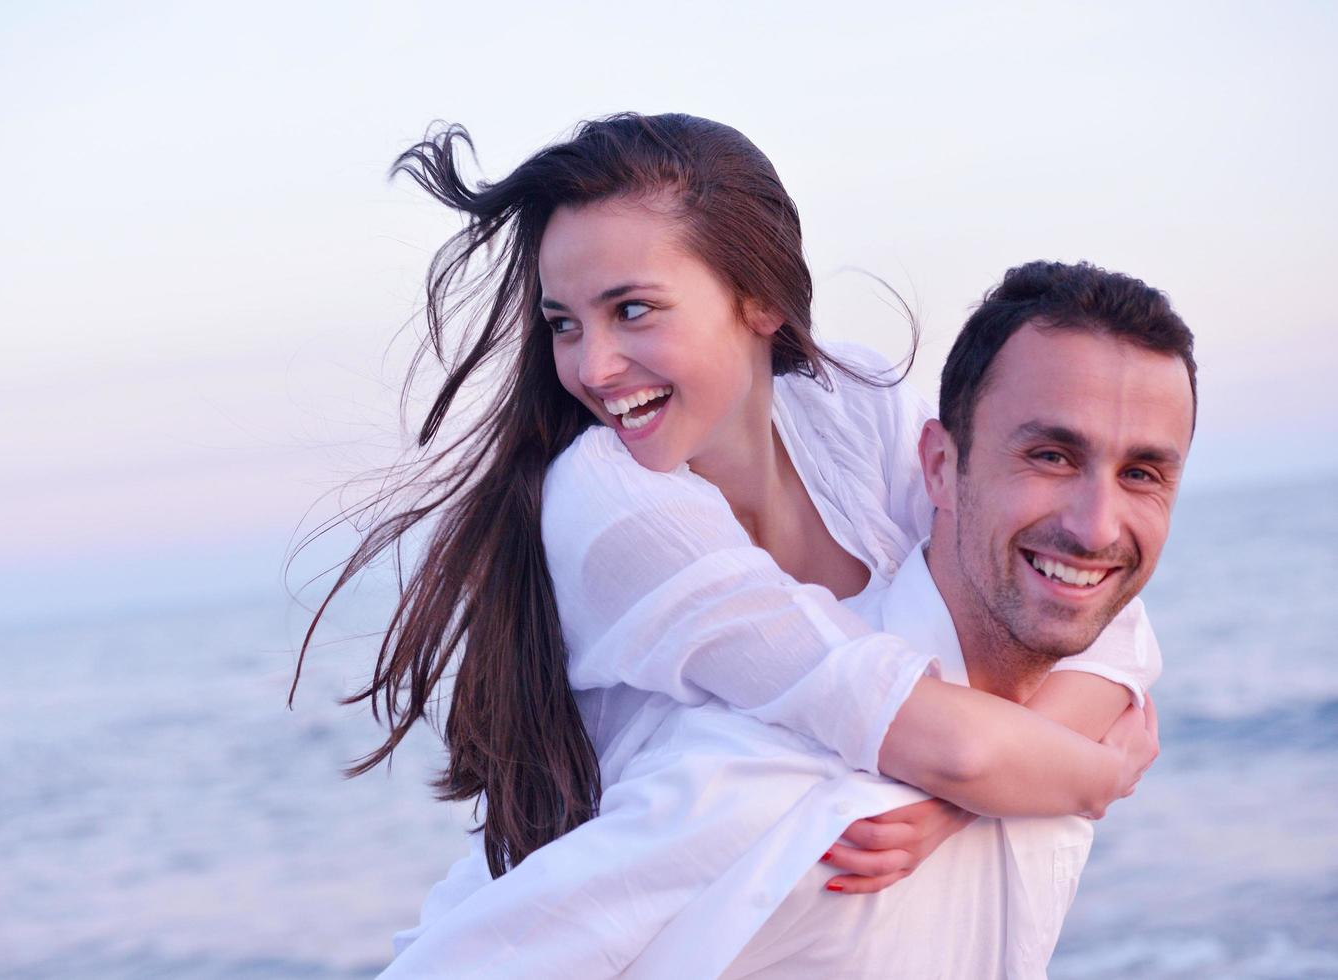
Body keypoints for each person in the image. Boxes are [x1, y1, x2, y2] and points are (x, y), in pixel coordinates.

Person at [286, 112, 1158, 968]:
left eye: (632, 310)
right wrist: (1081, 776)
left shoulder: (854, 408)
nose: (590, 367)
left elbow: (1088, 617)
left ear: (761, 301)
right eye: (563, 324)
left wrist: (956, 805)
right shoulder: (611, 500)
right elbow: (945, 739)